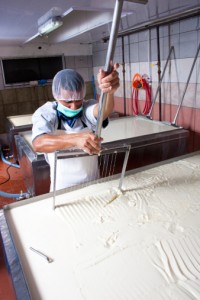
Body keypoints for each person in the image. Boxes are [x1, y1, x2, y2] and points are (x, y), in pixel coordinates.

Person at [32, 64, 120, 191]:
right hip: (62, 186)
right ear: (56, 96)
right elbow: (38, 143)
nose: (74, 106)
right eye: (67, 101)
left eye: (78, 100)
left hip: (93, 182)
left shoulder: (86, 108)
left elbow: (102, 111)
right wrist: (75, 140)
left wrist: (108, 93)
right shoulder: (47, 113)